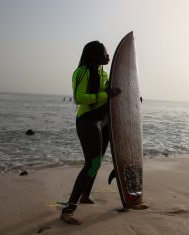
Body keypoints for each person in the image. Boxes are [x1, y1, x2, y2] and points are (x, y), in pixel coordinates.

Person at [60, 41, 121, 225]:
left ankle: (85, 195)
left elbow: (113, 93)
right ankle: (68, 209)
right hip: (87, 120)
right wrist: (105, 95)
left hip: (104, 121)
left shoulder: (103, 73)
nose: (108, 55)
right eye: (104, 52)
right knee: (92, 162)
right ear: (95, 54)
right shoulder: (83, 72)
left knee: (97, 161)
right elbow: (79, 98)